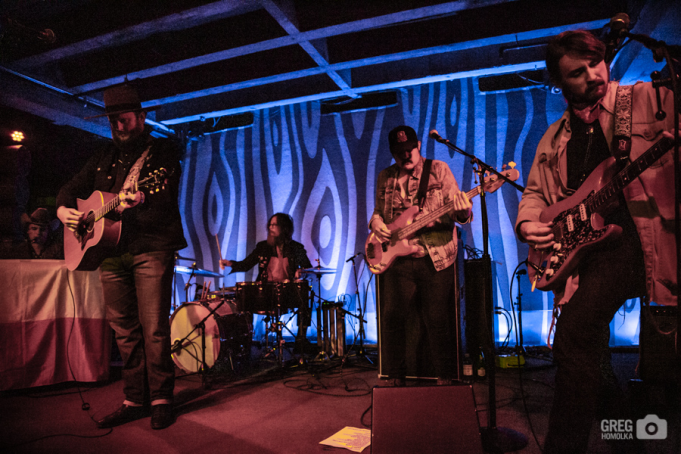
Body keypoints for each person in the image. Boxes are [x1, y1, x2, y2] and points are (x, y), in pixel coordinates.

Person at [516, 30, 678, 453]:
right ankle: (631, 440)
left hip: (636, 241)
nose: (593, 75)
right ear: (558, 83)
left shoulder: (643, 99)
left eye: (596, 63)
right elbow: (534, 193)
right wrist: (527, 222)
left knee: (575, 335)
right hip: (579, 251)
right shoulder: (554, 137)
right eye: (577, 72)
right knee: (594, 364)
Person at [56, 84, 187, 430]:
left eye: (125, 120)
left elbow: (164, 195)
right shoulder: (101, 156)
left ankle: (161, 398)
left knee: (154, 327)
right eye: (114, 121)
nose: (119, 127)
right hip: (110, 254)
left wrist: (140, 200)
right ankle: (134, 399)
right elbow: (69, 190)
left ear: (141, 118)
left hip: (151, 248)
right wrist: (63, 213)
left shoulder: (163, 154)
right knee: (124, 330)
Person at [369, 125, 472, 386]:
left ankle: (445, 380)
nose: (406, 155)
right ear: (393, 152)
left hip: (434, 256)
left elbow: (458, 213)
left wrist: (462, 211)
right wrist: (375, 223)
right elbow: (379, 212)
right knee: (392, 317)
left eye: (410, 149)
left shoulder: (438, 169)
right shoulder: (386, 177)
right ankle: (395, 377)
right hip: (399, 258)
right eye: (400, 151)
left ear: (418, 146)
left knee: (438, 320)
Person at [219, 213, 312, 349]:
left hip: (287, 291)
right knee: (246, 300)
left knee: (305, 295)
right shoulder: (263, 247)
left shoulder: (296, 248)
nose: (271, 227)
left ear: (284, 228)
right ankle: (246, 341)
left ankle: (301, 339)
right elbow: (246, 264)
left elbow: (308, 268)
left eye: (275, 225)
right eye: (270, 225)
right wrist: (230, 263)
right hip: (266, 291)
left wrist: (301, 271)